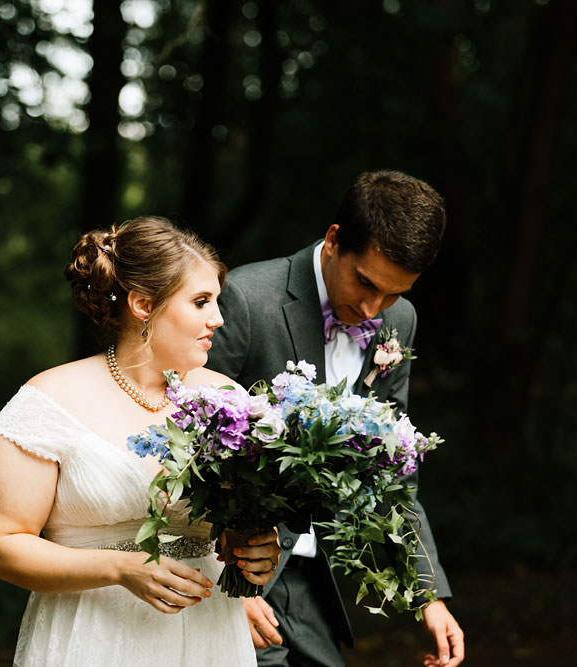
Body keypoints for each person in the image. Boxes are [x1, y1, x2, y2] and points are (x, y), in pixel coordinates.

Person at [0, 216, 282, 667]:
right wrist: (121, 568)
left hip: (208, 635)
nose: (218, 319)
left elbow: (238, 521)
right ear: (143, 304)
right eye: (200, 302)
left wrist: (254, 547)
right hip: (93, 635)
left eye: (216, 301)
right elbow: (1, 548)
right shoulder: (47, 402)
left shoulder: (230, 400)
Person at [206, 171, 466, 667]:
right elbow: (187, 445)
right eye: (365, 282)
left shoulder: (399, 321)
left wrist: (428, 593)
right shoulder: (247, 297)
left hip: (315, 583)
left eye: (393, 294)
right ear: (333, 241)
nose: (373, 309)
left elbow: (393, 473)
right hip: (233, 578)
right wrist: (220, 584)